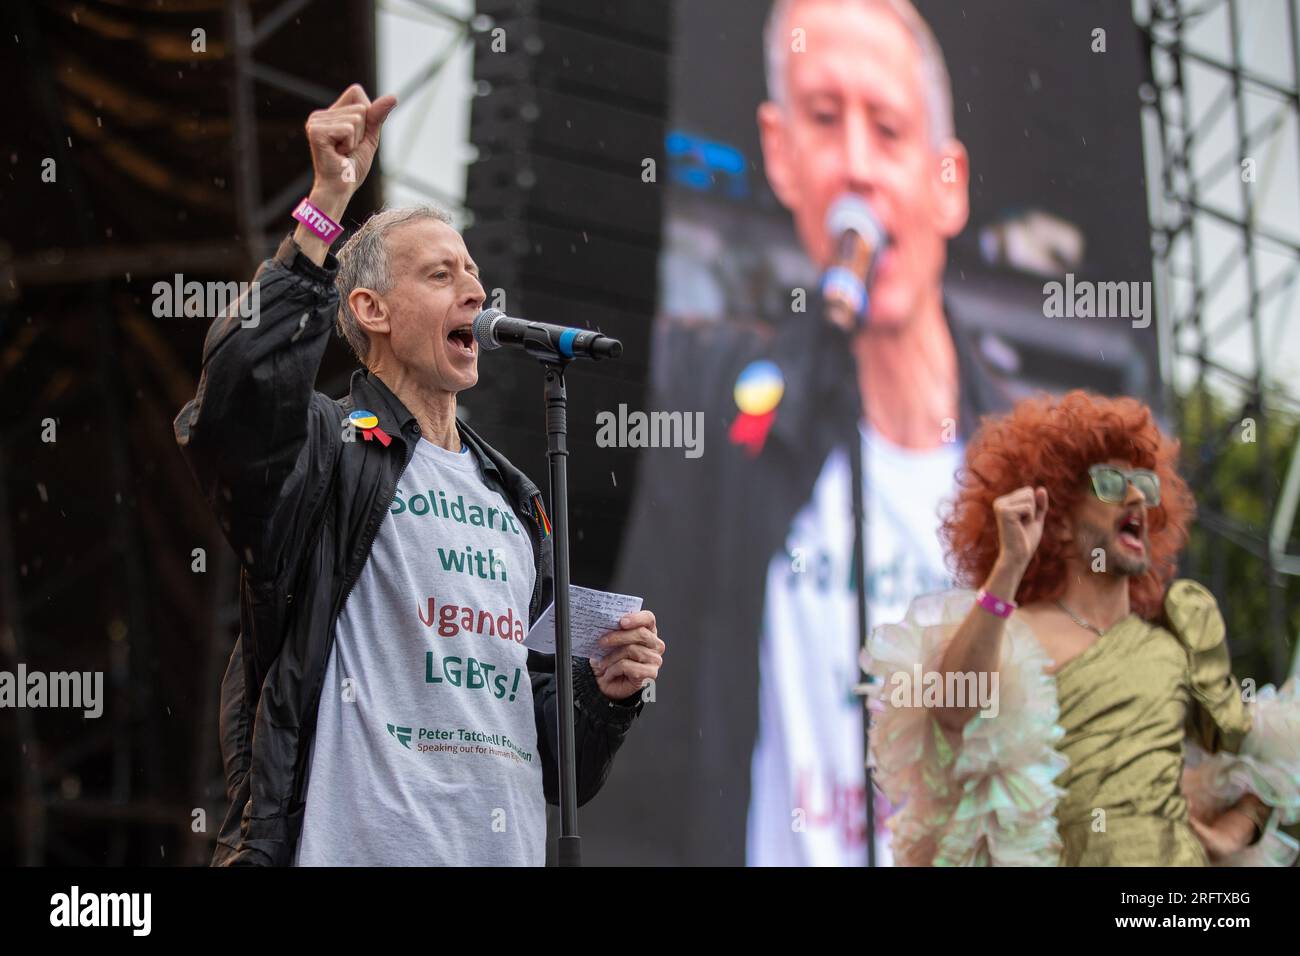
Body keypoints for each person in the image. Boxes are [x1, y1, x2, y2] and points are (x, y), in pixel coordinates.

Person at [174, 84, 665, 866]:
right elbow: (233, 410)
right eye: (440, 276)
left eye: (473, 274)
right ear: (372, 310)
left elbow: (548, 747)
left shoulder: (515, 500)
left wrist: (606, 695)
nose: (474, 290)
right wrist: (325, 205)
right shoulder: (330, 451)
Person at [588, 0, 1009, 865]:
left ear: (947, 180)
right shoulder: (720, 418)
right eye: (824, 119)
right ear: (781, 153)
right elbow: (647, 748)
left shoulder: (1022, 460)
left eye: (888, 128)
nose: (856, 163)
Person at [866, 390, 1300, 865]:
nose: (1136, 496)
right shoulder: (1010, 630)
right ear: (1060, 522)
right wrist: (1010, 565)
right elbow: (951, 712)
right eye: (1112, 483)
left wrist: (1232, 835)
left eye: (1145, 486)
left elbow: (1271, 759)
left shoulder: (1169, 642)